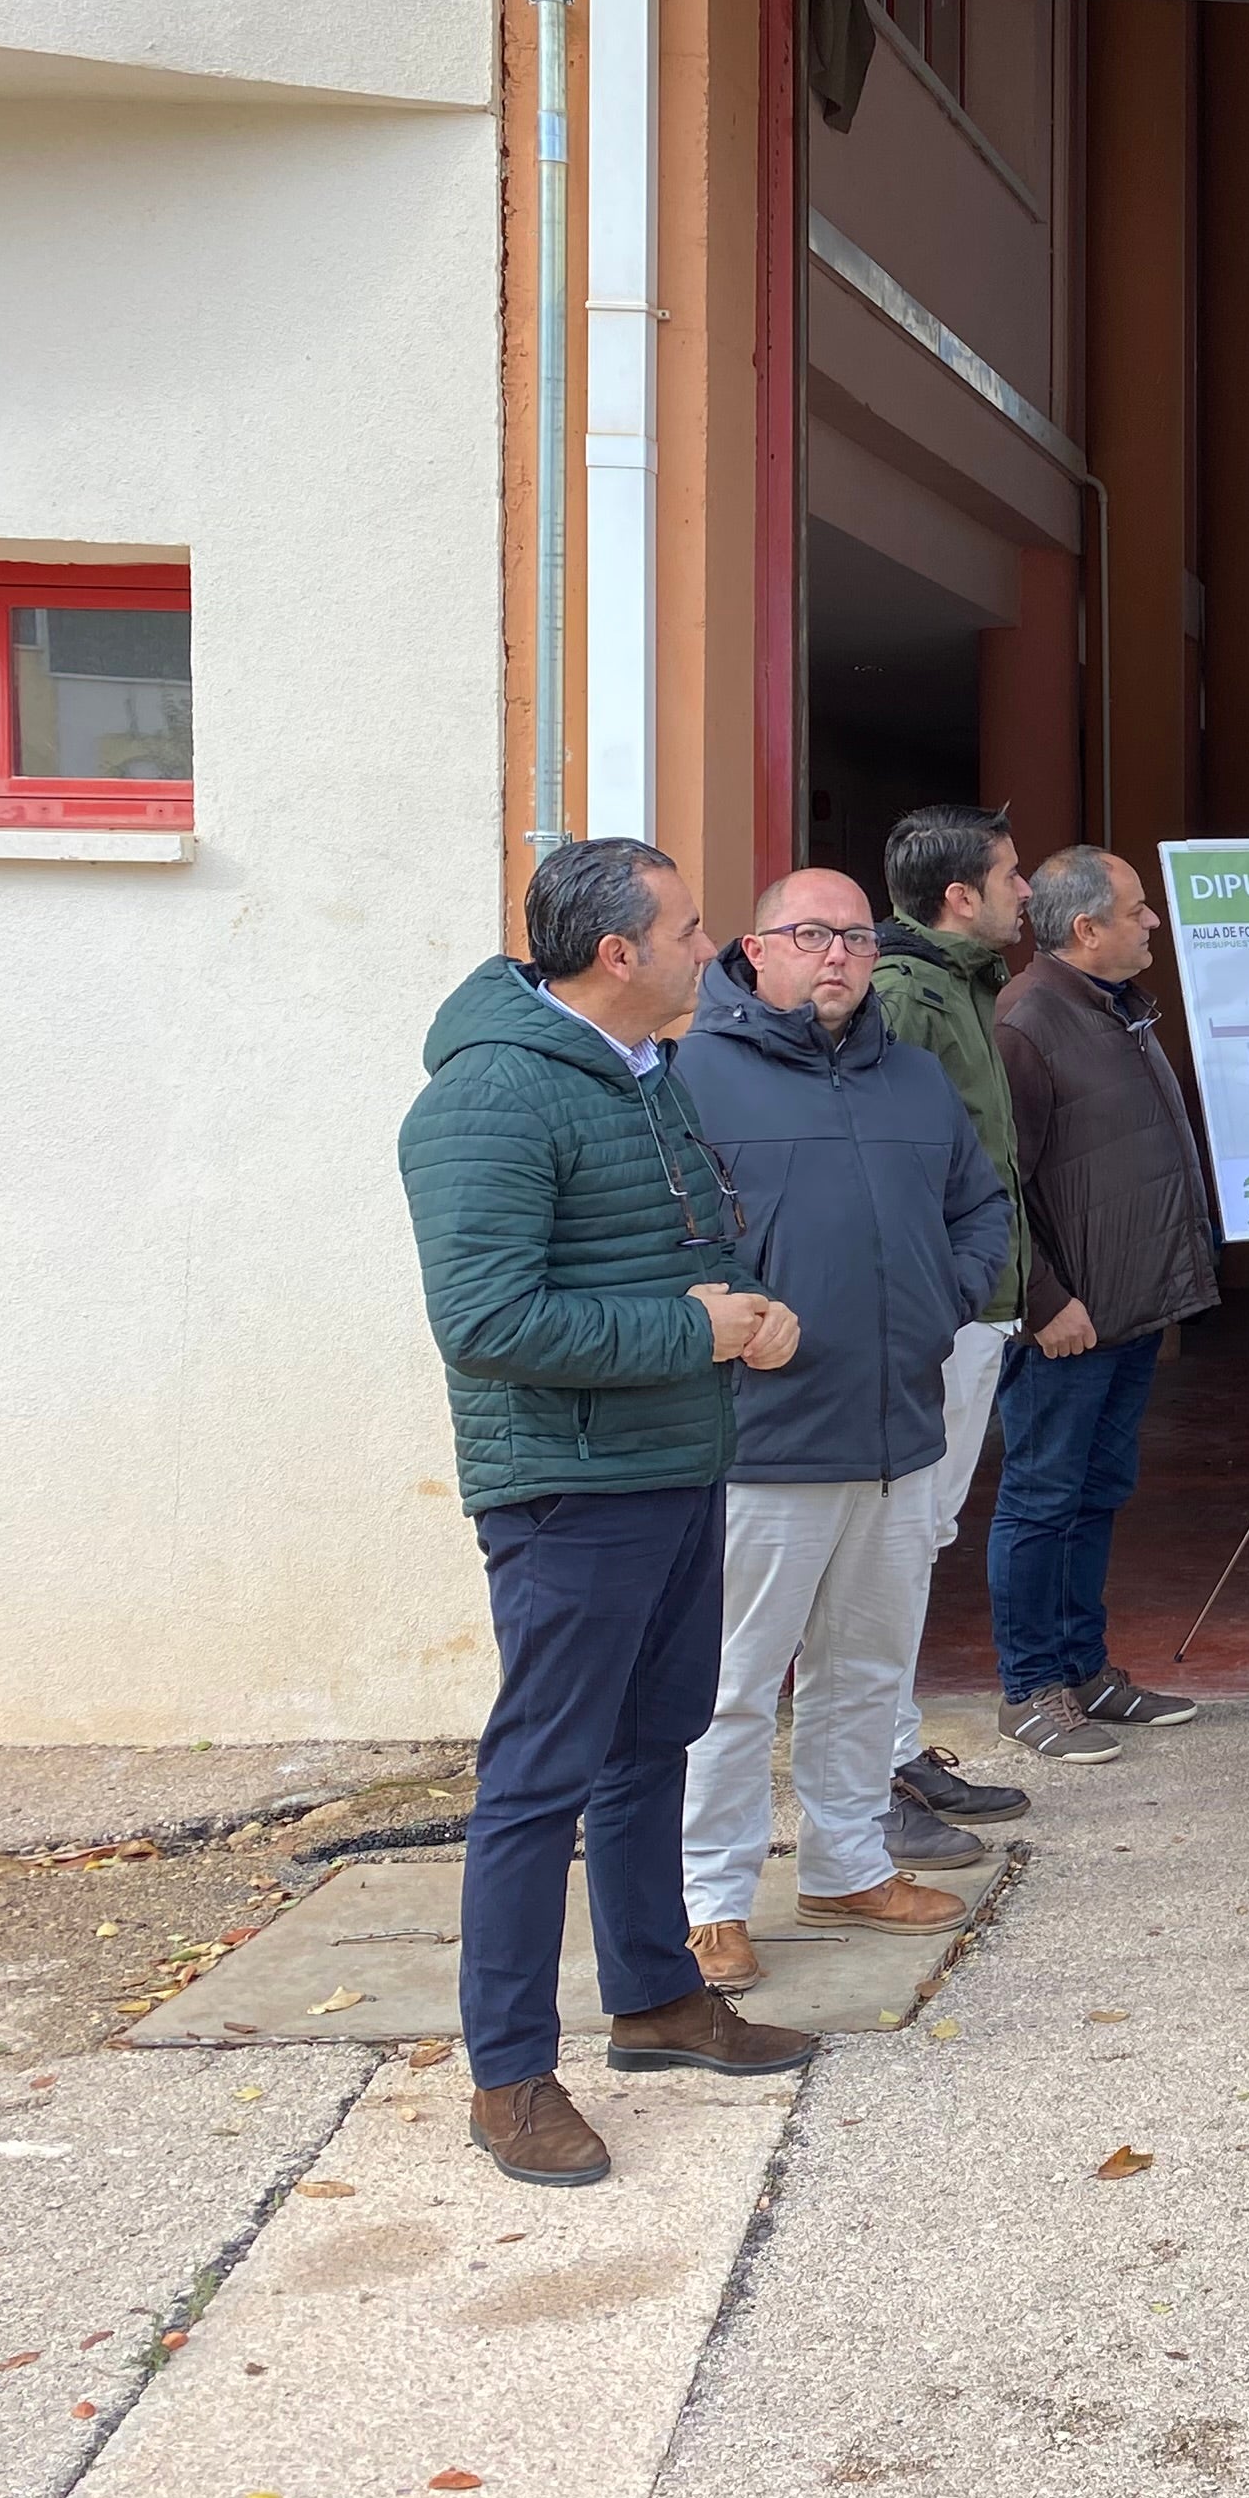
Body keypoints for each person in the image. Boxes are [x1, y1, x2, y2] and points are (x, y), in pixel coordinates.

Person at [398, 835, 817, 2186]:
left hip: (671, 1462)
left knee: (656, 1740)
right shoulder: (492, 1100)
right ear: (620, 954)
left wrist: (743, 1311)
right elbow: (487, 1321)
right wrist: (693, 1331)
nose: (717, 949)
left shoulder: (639, 1074)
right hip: (569, 1485)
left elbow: (678, 1243)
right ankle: (510, 2076)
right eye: (694, 931)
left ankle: (654, 2000)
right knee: (539, 1783)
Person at [673, 867, 1015, 1993]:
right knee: (730, 1684)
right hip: (761, 1440)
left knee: (866, 1671)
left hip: (896, 1434)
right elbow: (660, 1235)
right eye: (811, 934)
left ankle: (847, 1864)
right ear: (756, 949)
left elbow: (981, 1202)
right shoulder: (691, 1079)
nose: (837, 956)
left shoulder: (913, 1079)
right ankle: (708, 1903)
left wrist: (944, 1297)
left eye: (857, 938)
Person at [990, 845, 1222, 1761]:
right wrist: (1045, 1300)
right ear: (1086, 930)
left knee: (1095, 1491)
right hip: (1068, 1322)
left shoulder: (1111, 1010)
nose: (1152, 922)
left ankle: (1084, 1671)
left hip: (1125, 1308)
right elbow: (996, 1185)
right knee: (1042, 1496)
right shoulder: (1028, 1022)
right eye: (1136, 910)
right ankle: (1030, 1688)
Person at [870, 803, 1040, 1864]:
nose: (1029, 892)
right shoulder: (907, 999)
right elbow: (890, 1171)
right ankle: (869, 1777)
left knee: (921, 1537)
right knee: (895, 1545)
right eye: (1013, 875)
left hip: (975, 1308)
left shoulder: (963, 989)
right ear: (960, 897)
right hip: (939, 1317)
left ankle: (891, 1746)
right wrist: (955, 1286)